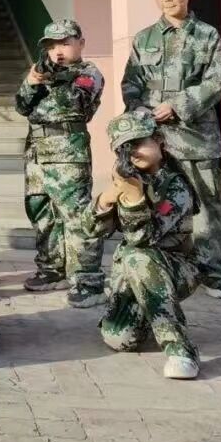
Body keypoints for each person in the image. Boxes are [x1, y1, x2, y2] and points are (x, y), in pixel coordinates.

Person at [121, 0, 221, 307]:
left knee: (206, 211)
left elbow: (217, 81)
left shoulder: (206, 35)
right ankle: (162, 271)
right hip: (154, 142)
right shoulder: (144, 38)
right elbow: (131, 83)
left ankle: (218, 276)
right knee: (156, 207)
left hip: (196, 139)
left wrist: (177, 106)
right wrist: (139, 111)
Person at [82, 110, 201, 379]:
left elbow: (143, 239)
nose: (132, 152)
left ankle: (180, 350)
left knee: (139, 255)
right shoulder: (130, 179)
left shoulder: (176, 187)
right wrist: (106, 200)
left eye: (138, 143)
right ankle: (151, 311)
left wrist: (134, 200)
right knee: (119, 338)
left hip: (176, 268)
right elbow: (90, 230)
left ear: (159, 140)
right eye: (124, 148)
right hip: (132, 274)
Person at [15, 19, 107, 307]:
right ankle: (52, 269)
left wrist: (52, 79)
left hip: (68, 151)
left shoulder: (88, 72)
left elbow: (76, 103)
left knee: (77, 216)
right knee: (41, 212)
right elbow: (21, 105)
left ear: (81, 43)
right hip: (37, 152)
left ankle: (88, 281)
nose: (58, 51)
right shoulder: (42, 72)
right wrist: (32, 82)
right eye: (52, 46)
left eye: (65, 44)